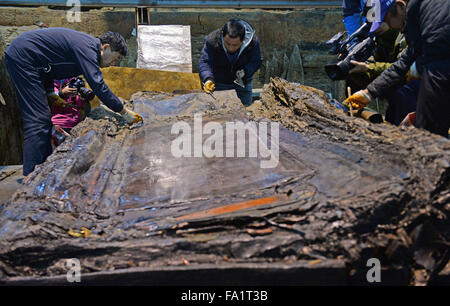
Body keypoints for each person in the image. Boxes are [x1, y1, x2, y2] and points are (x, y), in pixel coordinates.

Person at [5, 28, 143, 176]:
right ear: (106, 47)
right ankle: (30, 174)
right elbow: (98, 86)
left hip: (34, 63)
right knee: (38, 119)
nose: (113, 63)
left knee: (44, 119)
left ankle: (41, 168)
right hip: (23, 59)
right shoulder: (88, 48)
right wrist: (123, 111)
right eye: (115, 58)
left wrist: (50, 92)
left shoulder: (86, 47)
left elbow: (49, 66)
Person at [345, 0, 450, 137]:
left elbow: (437, 53)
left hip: (440, 68)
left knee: (428, 132)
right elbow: (405, 61)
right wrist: (369, 93)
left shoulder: (425, 10)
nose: (389, 27)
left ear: (400, 6)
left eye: (387, 21)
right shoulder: (414, 16)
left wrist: (423, 123)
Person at [198, 18, 262, 107]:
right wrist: (208, 78)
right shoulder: (212, 40)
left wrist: (246, 71)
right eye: (227, 43)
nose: (231, 48)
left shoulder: (253, 42)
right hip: (219, 85)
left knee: (244, 114)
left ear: (243, 39)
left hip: (242, 86)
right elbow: (205, 62)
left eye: (235, 45)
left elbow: (256, 61)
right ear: (222, 36)